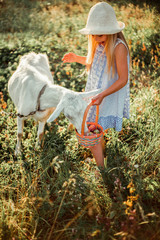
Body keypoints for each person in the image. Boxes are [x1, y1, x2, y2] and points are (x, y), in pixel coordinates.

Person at [62, 2, 130, 169]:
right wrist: (76, 58)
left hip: (106, 95)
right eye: (93, 35)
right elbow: (93, 62)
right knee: (95, 129)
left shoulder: (118, 47)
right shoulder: (101, 44)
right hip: (95, 93)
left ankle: (101, 169)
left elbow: (123, 79)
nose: (95, 39)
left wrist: (102, 95)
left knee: (90, 131)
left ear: (111, 32)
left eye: (99, 35)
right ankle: (100, 149)